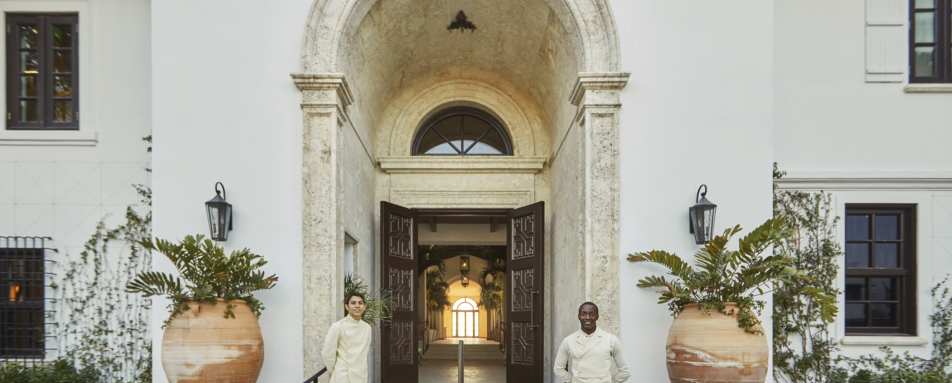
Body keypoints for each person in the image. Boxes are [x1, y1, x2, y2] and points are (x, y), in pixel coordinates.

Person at [553, 301, 630, 383]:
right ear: (579, 316)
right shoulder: (568, 341)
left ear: (597, 316)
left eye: (591, 314)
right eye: (584, 314)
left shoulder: (611, 340)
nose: (587, 317)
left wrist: (611, 381)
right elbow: (558, 368)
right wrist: (572, 380)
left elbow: (625, 371)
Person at [321, 292, 372, 383]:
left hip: (361, 376)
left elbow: (364, 354)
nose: (357, 306)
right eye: (353, 303)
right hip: (342, 376)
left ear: (364, 307)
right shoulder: (338, 326)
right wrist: (336, 371)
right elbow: (327, 353)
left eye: (360, 303)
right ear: (347, 307)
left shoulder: (367, 328)